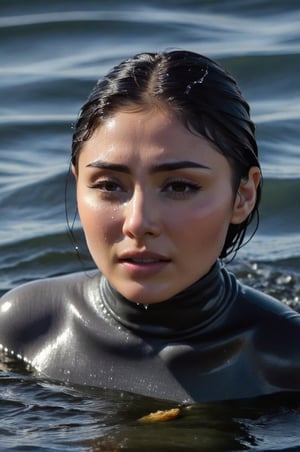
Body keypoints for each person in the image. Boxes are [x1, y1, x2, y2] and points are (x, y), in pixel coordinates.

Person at [1, 50, 300, 404]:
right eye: (109, 185)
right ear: (78, 184)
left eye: (180, 186)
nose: (138, 223)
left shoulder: (286, 360)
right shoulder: (22, 328)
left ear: (243, 196)